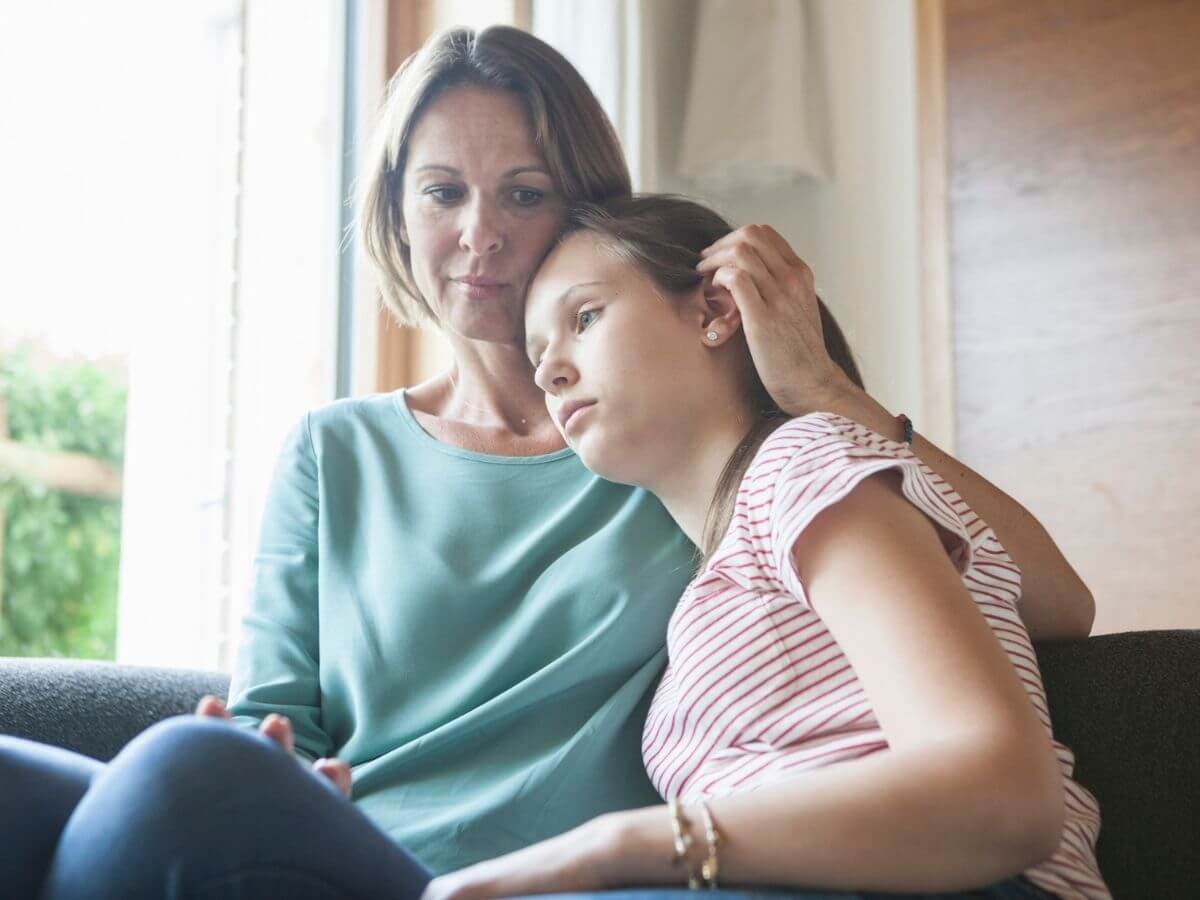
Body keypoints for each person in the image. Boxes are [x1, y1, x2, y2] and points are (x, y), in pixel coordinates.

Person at [0, 25, 1094, 900]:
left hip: (548, 880)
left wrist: (821, 387)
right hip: (340, 849)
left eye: (523, 193)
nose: (478, 233)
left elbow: (1027, 595)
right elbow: (270, 721)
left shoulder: (672, 456)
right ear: (395, 212)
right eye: (441, 193)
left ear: (583, 207)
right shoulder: (337, 451)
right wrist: (276, 766)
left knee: (171, 782)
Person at [421, 193, 1106, 899]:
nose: (549, 372)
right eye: (538, 354)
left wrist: (613, 845)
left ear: (716, 310)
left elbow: (1004, 794)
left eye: (585, 319)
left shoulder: (802, 465)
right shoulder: (723, 573)